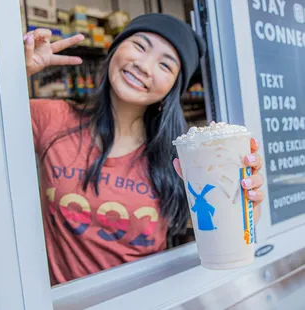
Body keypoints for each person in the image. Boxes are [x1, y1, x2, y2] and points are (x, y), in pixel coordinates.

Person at [24, 13, 265, 285]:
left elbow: (227, 231)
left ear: (173, 87)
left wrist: (246, 205)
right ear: (115, 48)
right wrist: (18, 71)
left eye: (165, 65)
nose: (145, 66)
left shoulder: (186, 157)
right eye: (140, 46)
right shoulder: (53, 119)